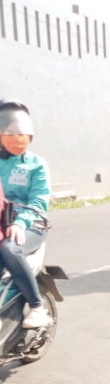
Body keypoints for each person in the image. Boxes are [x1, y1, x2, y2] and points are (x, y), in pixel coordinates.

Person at [0, 101, 52, 329]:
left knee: (9, 248)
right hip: (2, 223)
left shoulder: (36, 164)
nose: (18, 137)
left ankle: (37, 307)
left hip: (30, 225)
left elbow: (39, 200)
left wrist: (21, 223)